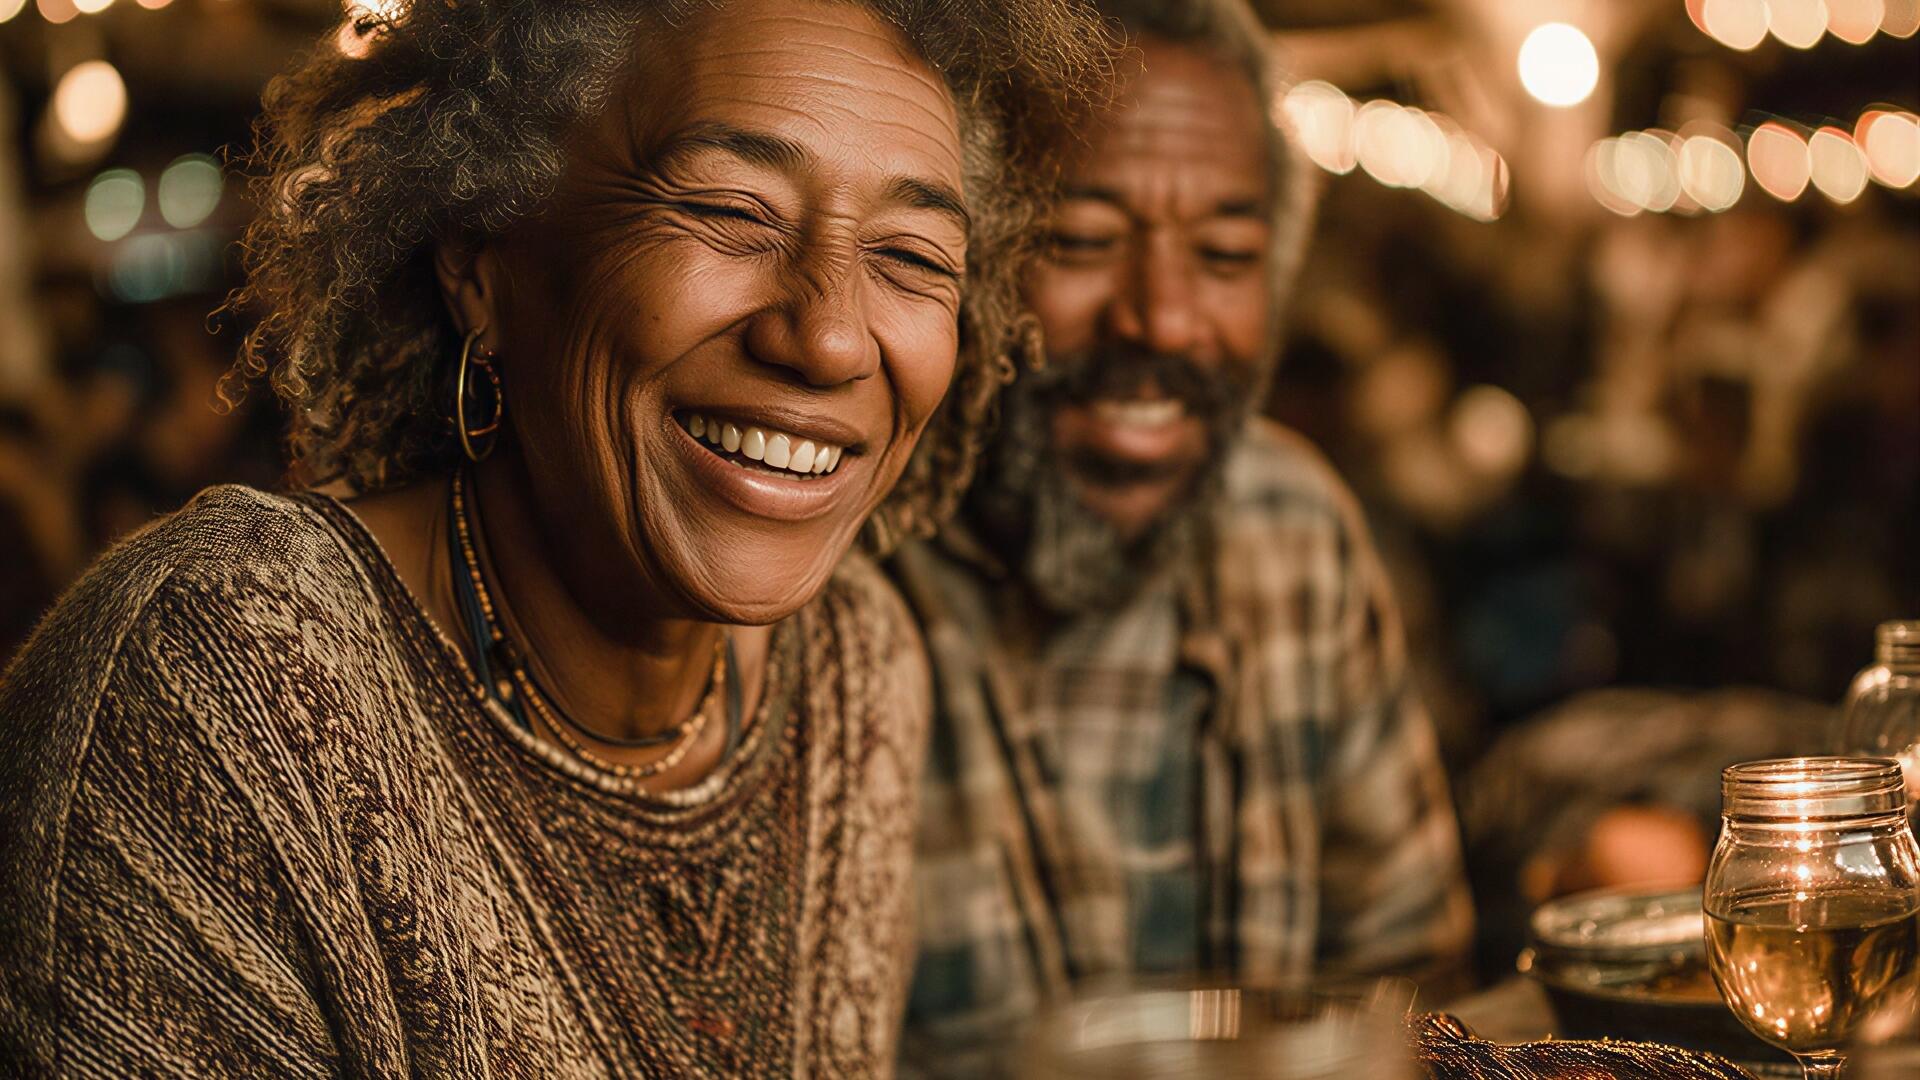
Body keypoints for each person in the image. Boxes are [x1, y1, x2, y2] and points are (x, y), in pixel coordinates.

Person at [0, 0, 1105, 1074]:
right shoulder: (227, 686)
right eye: (731, 211)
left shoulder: (856, 675)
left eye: (913, 258)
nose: (826, 336)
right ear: (484, 262)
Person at [894, 0, 1473, 1070]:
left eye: (1224, 253)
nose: (1161, 317)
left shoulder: (1291, 530)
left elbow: (1409, 990)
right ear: (954, 255)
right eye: (1079, 240)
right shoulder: (834, 571)